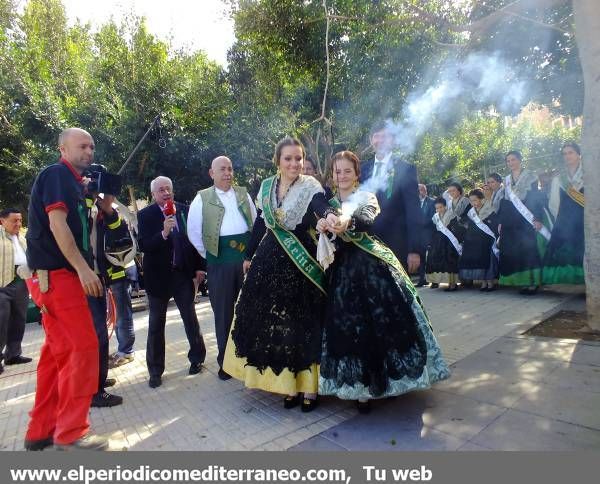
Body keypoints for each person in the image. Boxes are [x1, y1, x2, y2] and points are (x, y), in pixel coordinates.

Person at [316, 151, 450, 414]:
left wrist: (348, 222)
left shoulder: (366, 197)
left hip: (371, 268)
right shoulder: (327, 201)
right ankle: (360, 390)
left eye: (347, 171)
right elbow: (320, 216)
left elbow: (367, 219)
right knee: (350, 328)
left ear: (357, 175)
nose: (341, 176)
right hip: (340, 274)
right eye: (337, 171)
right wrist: (323, 223)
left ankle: (388, 381)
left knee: (383, 325)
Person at [223, 137, 338, 412]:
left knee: (305, 322)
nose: (294, 163)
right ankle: (289, 386)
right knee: (280, 325)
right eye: (288, 158)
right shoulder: (265, 188)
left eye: (298, 158)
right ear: (278, 161)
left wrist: (330, 216)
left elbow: (320, 206)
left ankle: (309, 388)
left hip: (301, 264)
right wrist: (249, 255)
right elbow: (261, 224)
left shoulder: (311, 186)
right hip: (270, 261)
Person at [24, 127, 107, 451]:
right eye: (82, 146)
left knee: (55, 357)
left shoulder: (71, 182)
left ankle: (40, 431)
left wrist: (92, 196)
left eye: (92, 146)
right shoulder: (58, 174)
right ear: (63, 148)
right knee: (85, 348)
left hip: (48, 280)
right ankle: (71, 434)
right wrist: (84, 268)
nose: (89, 151)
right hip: (61, 277)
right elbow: (58, 225)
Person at [188, 156, 257, 380]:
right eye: (222, 169)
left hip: (247, 260)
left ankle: (252, 358)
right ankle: (225, 362)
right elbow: (194, 234)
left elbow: (256, 224)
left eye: (230, 168)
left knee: (251, 310)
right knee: (224, 314)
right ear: (212, 173)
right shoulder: (201, 198)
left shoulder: (243, 194)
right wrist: (212, 256)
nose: (227, 173)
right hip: (219, 262)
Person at [137, 176, 207, 388]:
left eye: (168, 188)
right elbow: (144, 246)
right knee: (156, 325)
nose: (166, 192)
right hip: (157, 278)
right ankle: (155, 370)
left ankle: (197, 358)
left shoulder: (184, 210)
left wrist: (200, 267)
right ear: (153, 194)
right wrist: (164, 233)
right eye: (161, 190)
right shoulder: (145, 215)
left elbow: (196, 239)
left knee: (190, 318)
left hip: (181, 274)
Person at [84, 171, 137, 408]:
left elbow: (119, 232)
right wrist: (88, 197)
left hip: (103, 276)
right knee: (95, 335)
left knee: (102, 332)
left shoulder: (101, 210)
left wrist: (107, 207)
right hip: (86, 279)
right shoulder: (80, 206)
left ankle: (99, 382)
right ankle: (93, 389)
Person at [360, 121, 422, 272]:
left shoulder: (405, 169)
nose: (380, 141)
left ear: (393, 141)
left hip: (396, 246)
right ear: (371, 140)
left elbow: (413, 212)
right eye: (376, 136)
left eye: (385, 137)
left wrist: (414, 250)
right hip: (366, 246)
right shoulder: (361, 169)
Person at [498, 151, 549, 295]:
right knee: (517, 251)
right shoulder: (507, 179)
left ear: (520, 160)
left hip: (527, 217)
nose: (511, 163)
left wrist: (537, 218)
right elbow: (505, 201)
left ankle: (533, 282)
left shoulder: (530, 176)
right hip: (511, 220)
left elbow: (536, 197)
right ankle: (523, 282)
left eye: (513, 159)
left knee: (529, 250)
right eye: (508, 161)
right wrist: (502, 221)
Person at [543, 142, 585, 285]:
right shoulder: (559, 179)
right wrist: (561, 221)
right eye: (565, 153)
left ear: (579, 154)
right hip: (566, 222)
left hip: (587, 221)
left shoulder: (591, 174)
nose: (567, 156)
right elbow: (554, 204)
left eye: (571, 152)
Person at [0, 208, 33, 374]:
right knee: (1, 320)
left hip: (21, 282)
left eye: (20, 220)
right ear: (2, 221)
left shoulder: (22, 237)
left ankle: (13, 354)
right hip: (2, 283)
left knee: (19, 319)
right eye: (14, 221)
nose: (18, 224)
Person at [458, 189, 499, 291]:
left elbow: (494, 225)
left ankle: (490, 282)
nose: (473, 203)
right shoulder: (471, 212)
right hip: (475, 241)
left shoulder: (489, 209)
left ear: (481, 199)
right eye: (471, 201)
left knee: (487, 260)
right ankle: (483, 282)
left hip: (487, 239)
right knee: (479, 260)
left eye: (475, 200)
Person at [425, 197, 465, 291]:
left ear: (445, 206)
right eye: (437, 208)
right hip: (438, 240)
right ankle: (435, 281)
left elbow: (457, 229)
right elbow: (434, 228)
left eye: (441, 207)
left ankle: (453, 284)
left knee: (449, 259)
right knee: (433, 257)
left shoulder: (452, 215)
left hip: (449, 241)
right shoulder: (435, 217)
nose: (439, 210)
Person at [416, 184, 436, 287]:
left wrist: (422, 224)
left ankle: (435, 281)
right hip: (418, 235)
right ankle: (422, 279)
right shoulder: (414, 203)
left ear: (425, 191)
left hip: (429, 233)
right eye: (418, 190)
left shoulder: (432, 202)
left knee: (431, 258)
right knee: (421, 257)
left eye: (422, 190)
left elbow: (433, 217)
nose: (420, 192)